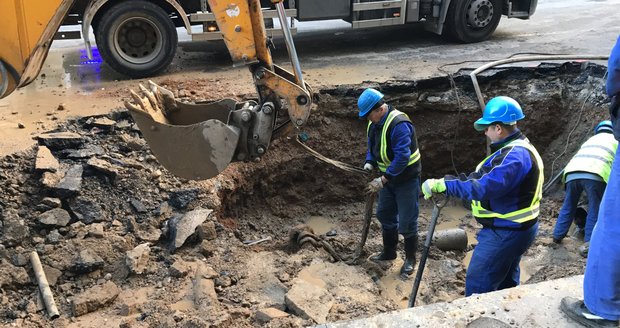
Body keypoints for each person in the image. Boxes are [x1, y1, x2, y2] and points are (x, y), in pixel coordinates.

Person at [421, 96, 543, 296]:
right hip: (516, 228)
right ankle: (507, 312)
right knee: (506, 279)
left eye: (487, 128)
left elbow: (482, 185)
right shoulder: (516, 149)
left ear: (498, 128)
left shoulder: (514, 157)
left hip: (505, 231)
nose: (485, 132)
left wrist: (444, 184)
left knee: (479, 283)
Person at [560, 35, 620, 328]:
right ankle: (583, 239)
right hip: (594, 175)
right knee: (596, 212)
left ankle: (602, 306)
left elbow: (615, 73)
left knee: (609, 222)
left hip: (572, 174)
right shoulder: (608, 143)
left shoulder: (595, 139)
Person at [359, 88, 421, 276]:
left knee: (407, 221)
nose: (368, 119)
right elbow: (372, 146)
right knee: (385, 214)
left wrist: (383, 179)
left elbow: (402, 157)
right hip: (388, 179)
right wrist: (370, 162)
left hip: (406, 179)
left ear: (379, 109)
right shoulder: (374, 124)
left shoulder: (399, 124)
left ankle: (410, 259)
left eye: (369, 115)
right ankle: (389, 252)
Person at [552, 120, 617, 257]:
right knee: (595, 207)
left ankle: (557, 235)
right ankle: (588, 243)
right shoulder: (616, 141)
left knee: (569, 204)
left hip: (572, 173)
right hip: (596, 174)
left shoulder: (590, 141)